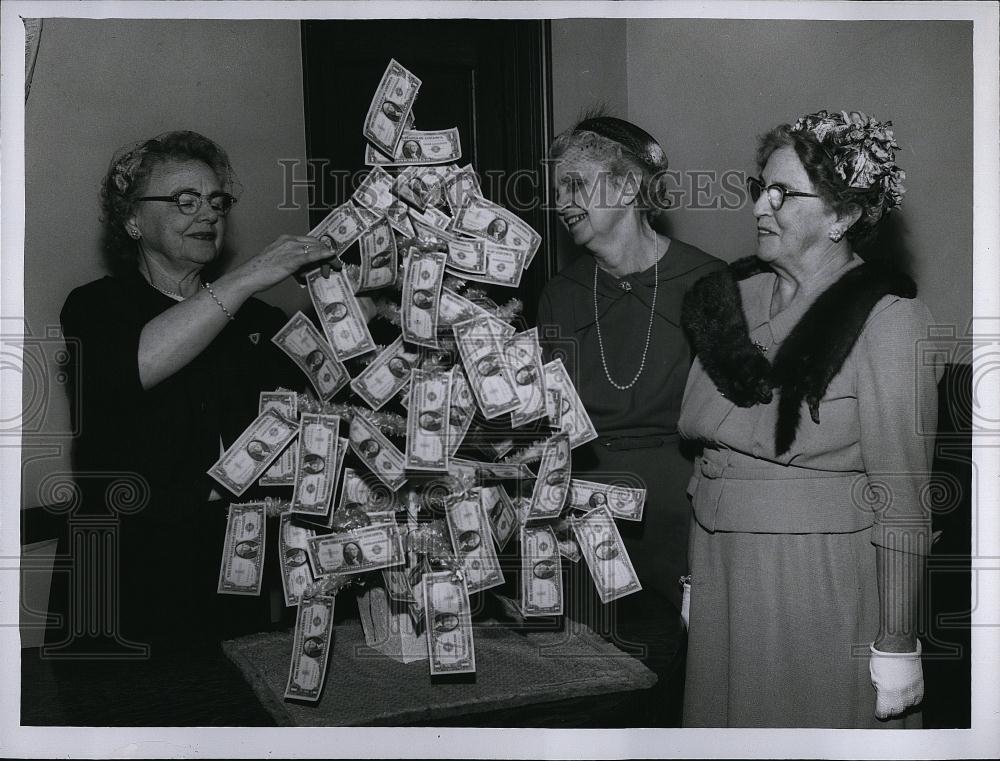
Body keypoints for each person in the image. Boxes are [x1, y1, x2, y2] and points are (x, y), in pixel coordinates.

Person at [678, 110, 938, 728]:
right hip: (722, 569)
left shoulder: (885, 319)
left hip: (814, 582)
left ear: (842, 217)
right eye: (759, 188)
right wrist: (695, 573)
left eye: (783, 193)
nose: (759, 208)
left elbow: (902, 498)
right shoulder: (731, 300)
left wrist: (897, 642)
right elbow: (705, 457)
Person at [60, 130, 339, 649]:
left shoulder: (262, 320)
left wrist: (364, 310)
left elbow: (314, 412)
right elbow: (133, 367)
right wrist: (252, 273)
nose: (208, 214)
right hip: (126, 573)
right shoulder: (94, 308)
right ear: (132, 220)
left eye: (216, 201)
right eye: (184, 200)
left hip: (232, 563)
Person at [535, 112, 724, 726]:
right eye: (557, 188)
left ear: (625, 187)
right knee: (593, 688)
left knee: (690, 686)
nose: (561, 204)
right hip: (585, 511)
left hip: (683, 511)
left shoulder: (709, 281)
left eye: (576, 186)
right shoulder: (559, 292)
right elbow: (546, 420)